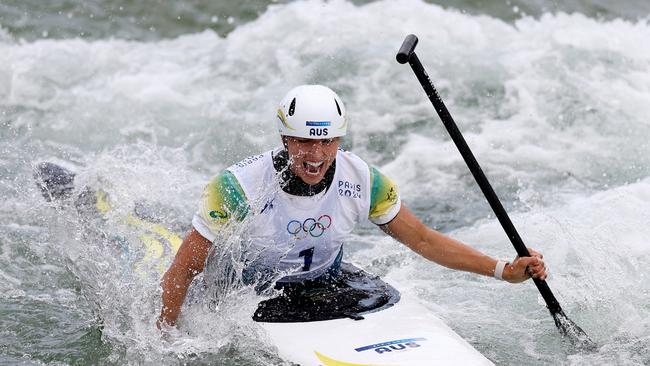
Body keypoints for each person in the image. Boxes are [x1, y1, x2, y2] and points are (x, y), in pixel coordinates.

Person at [157, 85, 547, 328]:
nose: (316, 154)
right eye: (304, 141)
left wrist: (502, 270)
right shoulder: (236, 187)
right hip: (247, 293)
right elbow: (182, 271)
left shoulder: (364, 180)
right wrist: (164, 339)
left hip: (325, 284)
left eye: (327, 141)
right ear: (284, 138)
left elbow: (424, 241)